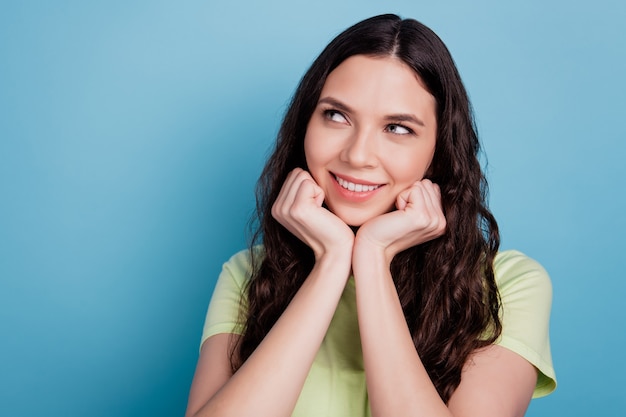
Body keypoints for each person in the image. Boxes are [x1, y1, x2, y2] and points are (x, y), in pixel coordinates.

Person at [185, 13, 556, 417]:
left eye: (397, 128)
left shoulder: (510, 285)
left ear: (439, 150)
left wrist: (373, 258)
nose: (357, 155)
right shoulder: (247, 274)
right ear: (304, 124)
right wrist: (331, 264)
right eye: (336, 115)